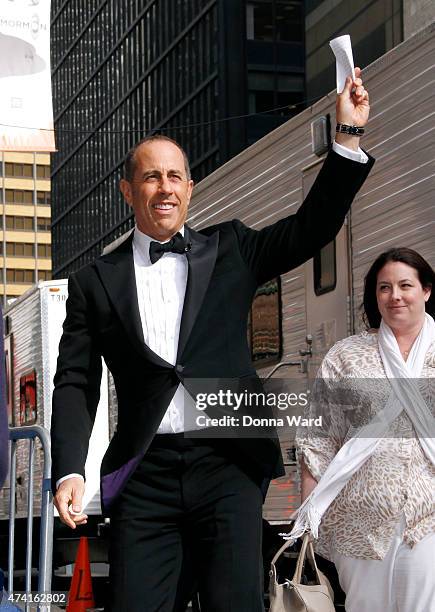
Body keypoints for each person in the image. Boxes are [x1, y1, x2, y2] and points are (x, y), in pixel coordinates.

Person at [51, 68, 372, 611]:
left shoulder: (231, 250)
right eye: (151, 177)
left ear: (190, 187)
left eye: (175, 176)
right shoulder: (93, 283)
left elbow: (312, 228)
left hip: (227, 466)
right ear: (129, 190)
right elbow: (75, 380)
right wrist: (69, 468)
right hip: (143, 474)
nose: (165, 188)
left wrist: (345, 138)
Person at [296, 247, 435, 612]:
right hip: (358, 519)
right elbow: (319, 437)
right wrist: (310, 509)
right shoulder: (348, 354)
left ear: (426, 290)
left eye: (405, 285)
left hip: (428, 514)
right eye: (384, 287)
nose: (395, 296)